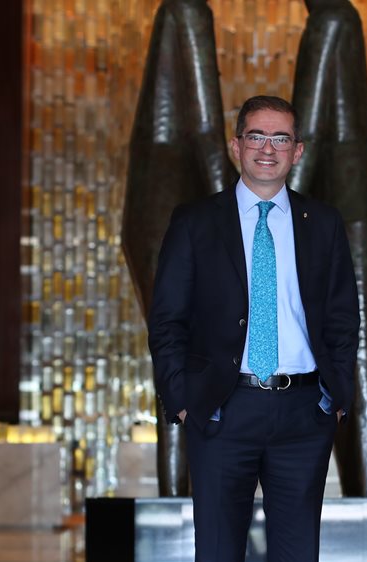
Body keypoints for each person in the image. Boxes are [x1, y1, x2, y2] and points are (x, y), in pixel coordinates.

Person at [148, 96, 362, 562]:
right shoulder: (196, 222)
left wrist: (335, 398)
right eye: (257, 136)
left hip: (302, 415)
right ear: (235, 146)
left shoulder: (323, 223)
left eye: (282, 138)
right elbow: (167, 320)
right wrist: (183, 401)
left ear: (298, 151)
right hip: (224, 412)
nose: (269, 148)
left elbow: (341, 318)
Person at [123, 0, 238, 497]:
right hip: (168, 208)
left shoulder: (171, 12)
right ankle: (177, 497)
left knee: (174, 355)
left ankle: (177, 492)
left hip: (148, 207)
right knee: (178, 356)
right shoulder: (190, 10)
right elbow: (209, 130)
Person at [289, 0, 367, 497]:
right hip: (354, 208)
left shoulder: (331, 19)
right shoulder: (342, 19)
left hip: (345, 212)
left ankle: (365, 482)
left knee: (355, 357)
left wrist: (274, 209)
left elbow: (304, 133)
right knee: (356, 355)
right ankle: (364, 482)